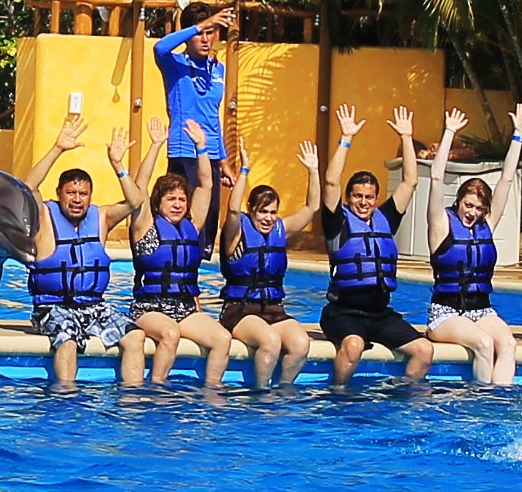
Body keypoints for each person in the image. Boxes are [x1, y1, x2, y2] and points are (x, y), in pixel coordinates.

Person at [316, 103, 435, 386]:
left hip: (380, 315)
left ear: (376, 199)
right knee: (353, 345)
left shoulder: (386, 219)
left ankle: (403, 397)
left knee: (424, 350)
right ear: (349, 198)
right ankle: (340, 397)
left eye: (369, 197)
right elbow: (331, 181)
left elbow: (410, 181)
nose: (363, 202)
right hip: (342, 314)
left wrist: (406, 137)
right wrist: (346, 138)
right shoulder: (337, 222)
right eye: (357, 196)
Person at [20, 113, 135, 388]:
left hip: (94, 307)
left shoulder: (102, 218)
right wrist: (57, 148)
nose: (77, 200)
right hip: (52, 307)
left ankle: (132, 399)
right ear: (59, 193)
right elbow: (27, 186)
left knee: (135, 337)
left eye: (83, 194)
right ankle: (66, 396)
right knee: (68, 339)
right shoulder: (44, 218)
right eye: (71, 193)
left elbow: (135, 201)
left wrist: (118, 165)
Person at [120, 126, 236, 389]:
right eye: (170, 199)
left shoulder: (192, 225)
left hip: (184, 309)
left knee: (222, 339)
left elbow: (206, 184)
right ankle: (157, 388)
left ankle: (211, 392)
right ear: (158, 202)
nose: (177, 204)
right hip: (149, 308)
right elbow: (140, 187)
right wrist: (156, 145)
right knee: (170, 334)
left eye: (182, 199)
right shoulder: (145, 226)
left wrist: (202, 147)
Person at [422, 104, 522, 387]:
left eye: (479, 208)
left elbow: (506, 179)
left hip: (481, 311)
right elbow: (436, 177)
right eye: (469, 205)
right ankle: (480, 401)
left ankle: (499, 401)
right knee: (484, 343)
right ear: (458, 201)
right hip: (445, 313)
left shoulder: (486, 225)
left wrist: (518, 136)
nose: (473, 212)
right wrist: (449, 132)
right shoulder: (441, 224)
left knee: (508, 343)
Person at [218, 144, 317, 390]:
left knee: (301, 343)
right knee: (271, 341)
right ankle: (261, 394)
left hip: (273, 309)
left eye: (273, 212)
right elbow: (232, 209)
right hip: (240, 310)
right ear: (251, 210)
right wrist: (244, 170)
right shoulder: (236, 234)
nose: (268, 218)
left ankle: (283, 392)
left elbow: (311, 208)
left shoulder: (280, 230)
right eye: (262, 211)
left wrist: (313, 171)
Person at [152, 3, 237, 242]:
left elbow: (212, 117)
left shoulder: (218, 69)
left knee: (207, 225)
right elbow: (160, 47)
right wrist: (202, 25)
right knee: (184, 220)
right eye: (200, 33)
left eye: (211, 32)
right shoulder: (174, 64)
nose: (205, 39)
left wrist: (223, 161)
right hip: (185, 153)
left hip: (210, 155)